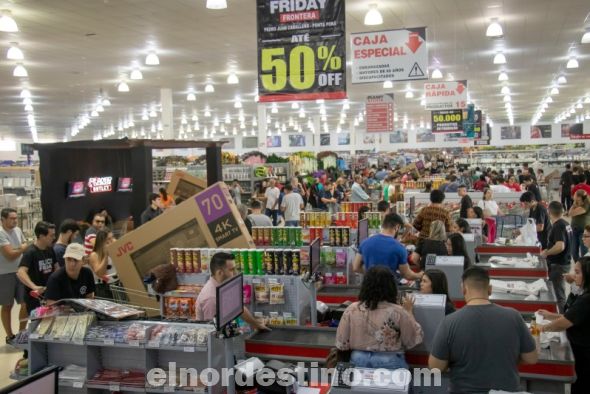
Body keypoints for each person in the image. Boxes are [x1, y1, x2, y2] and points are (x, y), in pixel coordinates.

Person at [429, 266, 538, 393]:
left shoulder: (449, 322)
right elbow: (531, 358)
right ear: (490, 289)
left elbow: (434, 367)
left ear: (463, 289)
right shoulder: (513, 316)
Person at [336, 266, 424, 370]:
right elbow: (413, 340)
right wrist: (409, 312)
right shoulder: (398, 312)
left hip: (358, 360)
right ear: (391, 286)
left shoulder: (352, 309)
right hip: (390, 361)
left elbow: (341, 343)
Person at [537, 257, 590, 393]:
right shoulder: (585, 294)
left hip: (584, 352)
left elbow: (564, 323)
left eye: (578, 273)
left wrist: (541, 328)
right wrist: (550, 315)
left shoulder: (586, 299)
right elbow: (574, 317)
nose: (574, 276)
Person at [195, 252, 268, 330]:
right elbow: (212, 332)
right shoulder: (211, 298)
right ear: (220, 273)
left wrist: (256, 324)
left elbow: (239, 308)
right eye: (232, 270)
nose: (235, 273)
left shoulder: (224, 285)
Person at [353, 214, 423, 281]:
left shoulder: (365, 242)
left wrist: (372, 274)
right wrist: (420, 275)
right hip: (388, 287)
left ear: (383, 225)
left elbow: (356, 267)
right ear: (397, 227)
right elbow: (407, 274)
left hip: (368, 286)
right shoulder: (399, 247)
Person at [0, 208, 28, 344]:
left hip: (20, 272)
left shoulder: (17, 230)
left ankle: (21, 334)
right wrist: (21, 248)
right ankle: (10, 335)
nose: (15, 221)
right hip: (4, 274)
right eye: (11, 218)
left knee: (25, 304)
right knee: (7, 305)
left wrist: (19, 249)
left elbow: (24, 245)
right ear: (3, 219)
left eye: (16, 218)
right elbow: (10, 255)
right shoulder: (0, 233)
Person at [17, 221, 57, 313]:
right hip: (35, 298)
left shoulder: (50, 249)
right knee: (37, 324)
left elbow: (56, 267)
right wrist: (34, 286)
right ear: (42, 236)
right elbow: (20, 272)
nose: (54, 238)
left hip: (49, 294)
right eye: (51, 235)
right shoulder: (30, 252)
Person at [542, 201, 573, 312]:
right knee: (559, 293)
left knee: (558, 295)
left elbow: (560, 246)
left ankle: (562, 318)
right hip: (564, 262)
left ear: (549, 212)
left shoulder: (558, 226)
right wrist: (548, 249)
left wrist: (547, 253)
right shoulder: (565, 223)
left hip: (559, 265)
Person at [88, 229, 119, 299]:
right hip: (103, 288)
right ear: (102, 242)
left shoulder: (114, 251)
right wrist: (106, 256)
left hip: (116, 285)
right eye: (109, 239)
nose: (112, 241)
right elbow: (100, 273)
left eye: (113, 237)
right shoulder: (94, 255)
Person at [569, 190, 590, 262]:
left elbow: (572, 213)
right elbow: (570, 213)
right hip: (574, 229)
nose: (573, 196)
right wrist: (574, 203)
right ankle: (579, 266)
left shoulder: (587, 202)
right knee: (574, 252)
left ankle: (585, 268)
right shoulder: (576, 203)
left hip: (583, 230)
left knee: (584, 251)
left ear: (579, 197)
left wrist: (574, 206)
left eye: (575, 195)